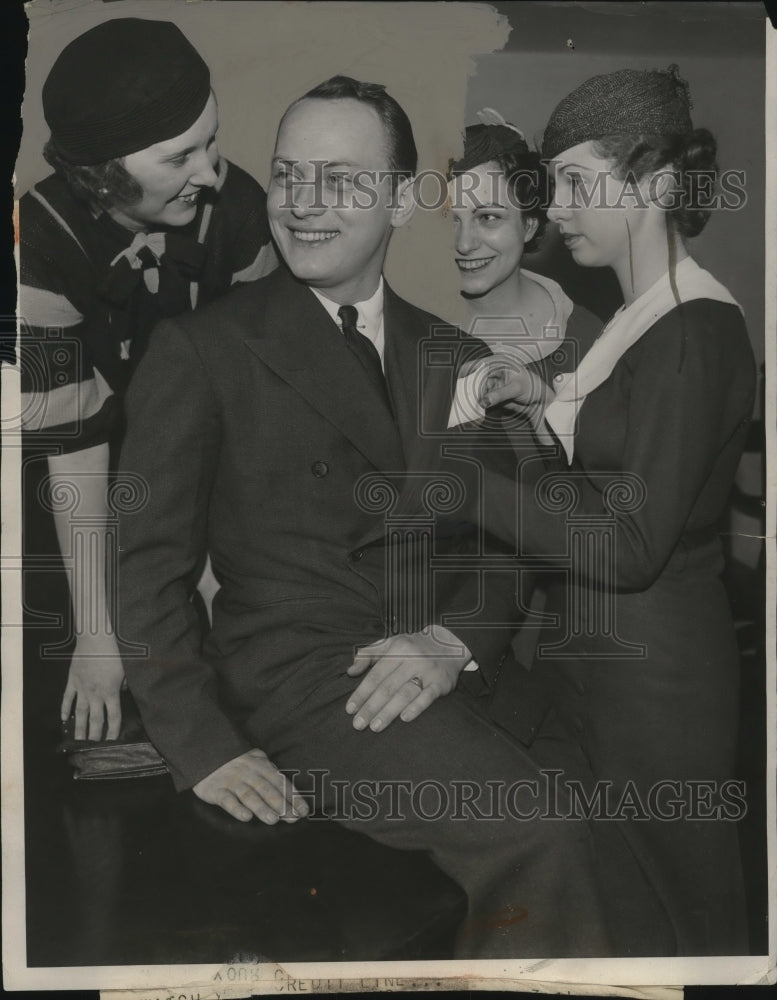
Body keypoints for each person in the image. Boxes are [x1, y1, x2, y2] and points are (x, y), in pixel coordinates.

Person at [116, 75, 615, 959]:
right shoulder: (202, 350)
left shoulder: (454, 353)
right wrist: (203, 748)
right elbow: (144, 569)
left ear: (398, 202)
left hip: (449, 667)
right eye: (286, 175)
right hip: (308, 682)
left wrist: (453, 640)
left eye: (341, 181)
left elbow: (518, 542)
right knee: (540, 831)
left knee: (617, 807)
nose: (304, 206)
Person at [475, 65, 756, 954]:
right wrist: (539, 399)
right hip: (603, 668)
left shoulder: (698, 330)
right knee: (617, 918)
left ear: (654, 182)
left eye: (573, 181)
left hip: (658, 686)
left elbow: (631, 545)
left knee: (682, 923)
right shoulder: (641, 317)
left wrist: (466, 489)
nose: (554, 207)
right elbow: (614, 457)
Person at [19, 18, 277, 741]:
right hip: (77, 497)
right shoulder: (36, 245)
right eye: (179, 157)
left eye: (212, 141)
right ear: (102, 174)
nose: (211, 172)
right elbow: (75, 452)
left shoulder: (239, 211)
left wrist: (221, 574)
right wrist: (98, 636)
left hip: (205, 467)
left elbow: (250, 413)